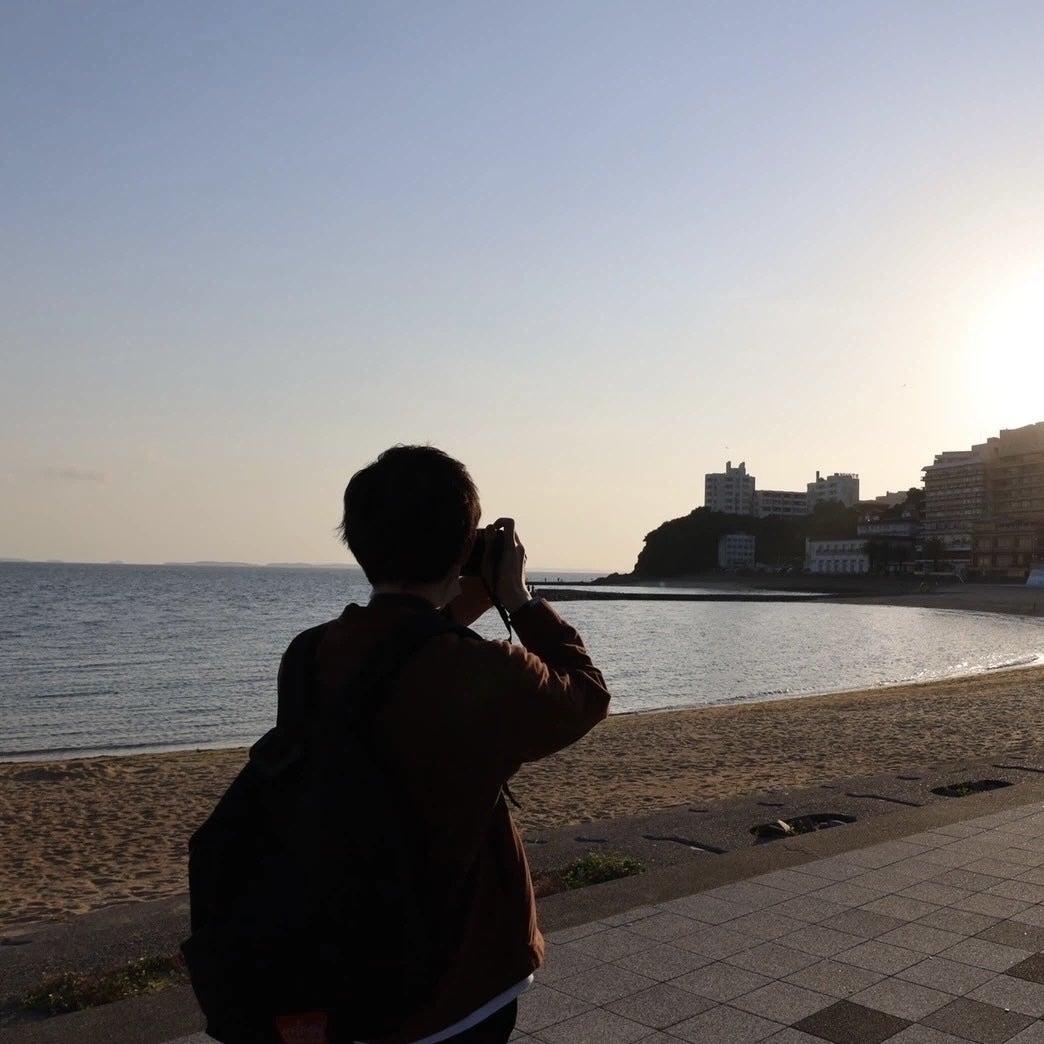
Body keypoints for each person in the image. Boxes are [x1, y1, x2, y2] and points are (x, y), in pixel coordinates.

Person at [321, 444, 611, 1043]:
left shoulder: (311, 654)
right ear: (461, 547)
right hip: (458, 978)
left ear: (358, 541)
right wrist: (518, 599)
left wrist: (453, 595)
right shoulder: (487, 671)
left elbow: (400, 656)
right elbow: (586, 694)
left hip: (344, 954)